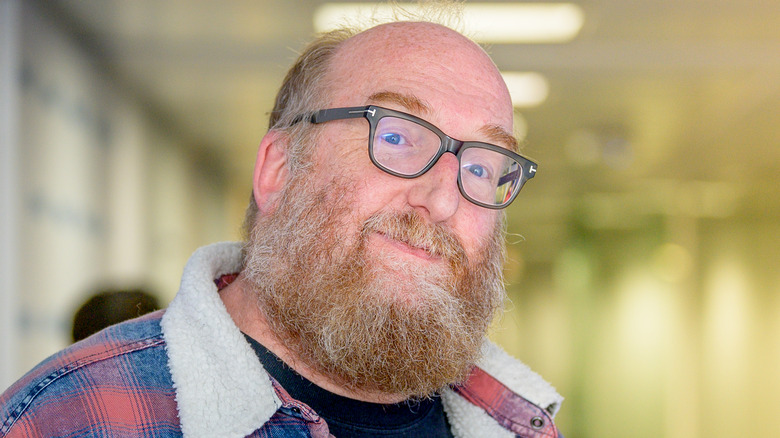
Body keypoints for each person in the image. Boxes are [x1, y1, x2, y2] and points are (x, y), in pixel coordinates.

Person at [0, 16, 563, 438]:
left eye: (483, 166)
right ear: (277, 169)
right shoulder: (73, 418)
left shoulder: (515, 422)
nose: (443, 198)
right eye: (395, 136)